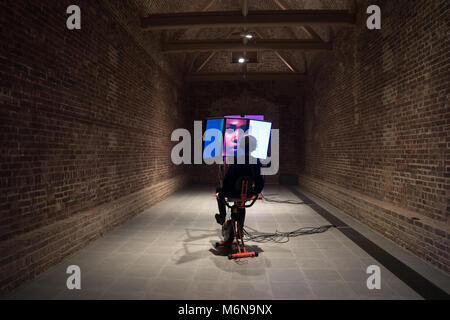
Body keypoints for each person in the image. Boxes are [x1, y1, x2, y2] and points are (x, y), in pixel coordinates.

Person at [215, 135, 264, 225]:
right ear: (254, 147)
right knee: (242, 204)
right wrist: (255, 192)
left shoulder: (236, 160)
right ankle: (240, 229)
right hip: (249, 193)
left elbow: (227, 180)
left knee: (218, 189)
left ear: (241, 146)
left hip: (233, 192)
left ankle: (222, 217)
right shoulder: (256, 161)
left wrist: (221, 193)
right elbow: (260, 181)